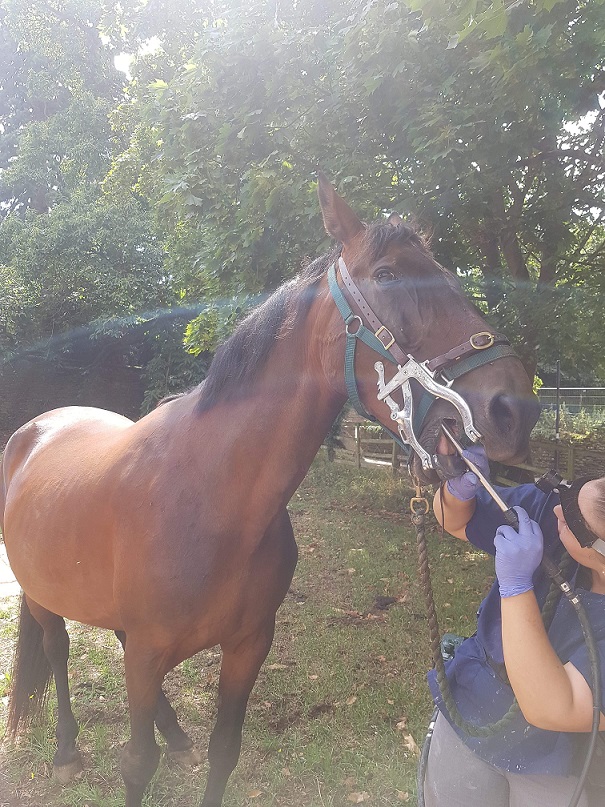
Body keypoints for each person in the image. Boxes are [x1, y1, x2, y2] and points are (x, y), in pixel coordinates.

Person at [422, 441, 605, 807]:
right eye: (572, 493)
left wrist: (517, 587)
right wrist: (457, 492)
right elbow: (454, 522)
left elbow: (553, 705)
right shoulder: (548, 511)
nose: (557, 508)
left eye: (571, 514)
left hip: (556, 761)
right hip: (471, 706)